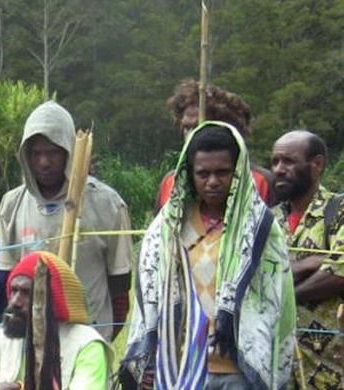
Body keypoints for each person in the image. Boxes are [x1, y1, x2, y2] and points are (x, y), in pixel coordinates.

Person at [122, 122, 295, 389]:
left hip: (238, 369)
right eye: (203, 173)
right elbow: (151, 291)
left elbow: (274, 299)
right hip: (179, 368)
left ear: (237, 171)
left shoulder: (260, 228)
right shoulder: (168, 227)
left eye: (222, 172)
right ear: (189, 173)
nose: (212, 181)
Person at [0, 100, 132, 340]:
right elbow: (8, 277)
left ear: (69, 151)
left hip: (88, 337)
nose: (44, 163)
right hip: (34, 338)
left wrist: (94, 329)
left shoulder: (107, 203)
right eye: (36, 154)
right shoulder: (11, 205)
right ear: (26, 156)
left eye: (53, 153)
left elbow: (120, 283)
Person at [271, 130, 344, 389]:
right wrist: (312, 263)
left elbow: (338, 274)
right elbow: (255, 276)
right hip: (276, 369)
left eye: (289, 161)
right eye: (275, 161)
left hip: (331, 371)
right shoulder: (267, 221)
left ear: (317, 164)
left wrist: (281, 299)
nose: (279, 169)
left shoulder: (338, 210)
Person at [0, 251, 111, 389]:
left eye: (27, 293)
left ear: (53, 301)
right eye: (14, 290)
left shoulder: (86, 345)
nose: (15, 302)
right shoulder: (0, 340)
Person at [157, 79, 275, 210]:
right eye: (186, 128)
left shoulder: (260, 181)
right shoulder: (170, 183)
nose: (191, 135)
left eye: (198, 127)